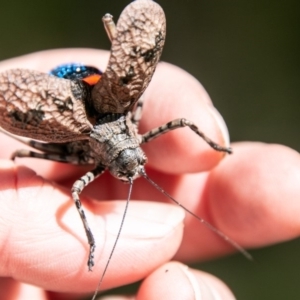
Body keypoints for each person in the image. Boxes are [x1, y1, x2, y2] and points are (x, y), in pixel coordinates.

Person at [0, 49, 300, 300]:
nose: (134, 170)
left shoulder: (129, 132)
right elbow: (179, 119)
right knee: (52, 171)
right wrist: (94, 245)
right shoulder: (121, 135)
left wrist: (215, 145)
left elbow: (181, 120)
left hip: (66, 94)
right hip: (67, 92)